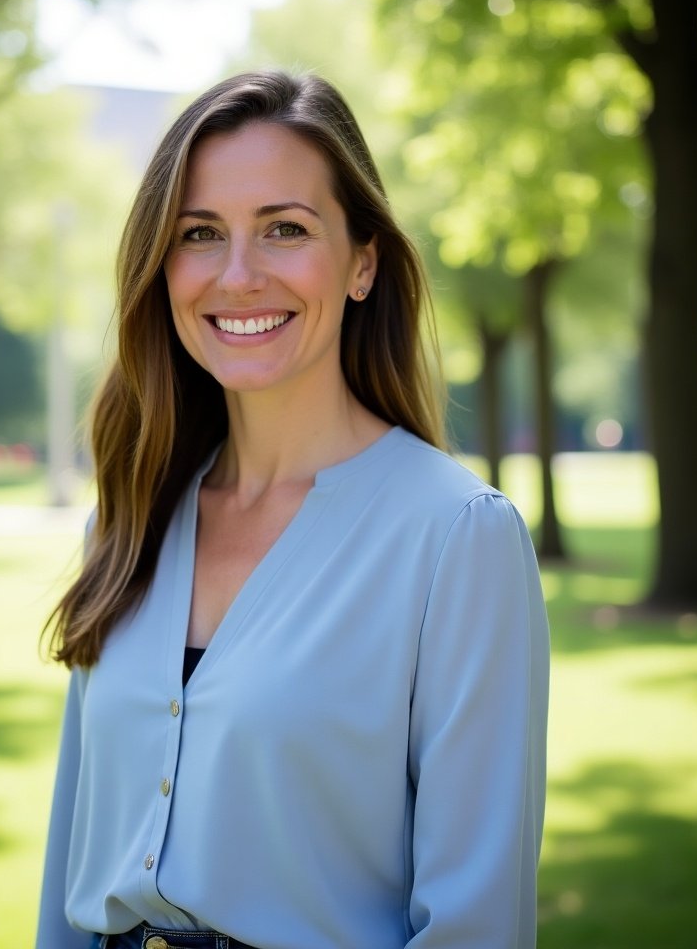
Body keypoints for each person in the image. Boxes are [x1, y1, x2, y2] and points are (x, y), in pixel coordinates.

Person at [36, 70, 549, 949]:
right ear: (163, 269)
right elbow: (70, 871)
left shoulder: (457, 538)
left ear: (362, 263)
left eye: (284, 229)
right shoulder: (126, 524)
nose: (238, 276)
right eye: (200, 234)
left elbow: (476, 924)